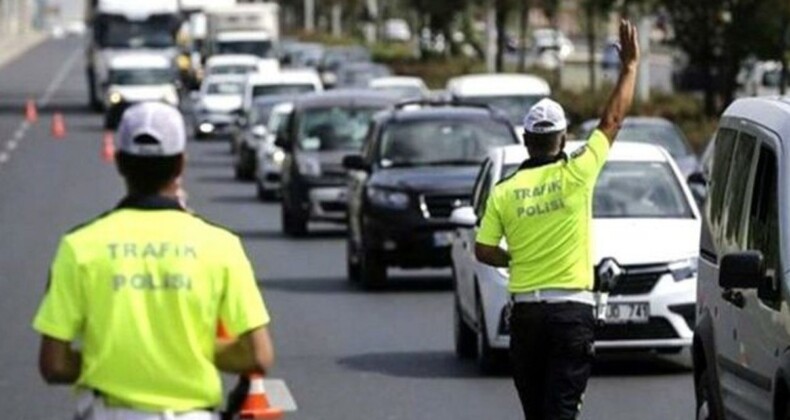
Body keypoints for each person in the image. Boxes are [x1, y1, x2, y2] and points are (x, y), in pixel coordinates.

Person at [32, 102, 274, 420]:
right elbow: (258, 355)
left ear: (119, 162)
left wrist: (111, 360)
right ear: (181, 165)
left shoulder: (79, 246)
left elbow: (54, 364)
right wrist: (187, 351)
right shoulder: (221, 246)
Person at [474, 20, 640, 420]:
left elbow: (482, 249)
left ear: (526, 141)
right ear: (563, 139)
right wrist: (630, 68)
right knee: (561, 411)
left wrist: (514, 259)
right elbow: (611, 121)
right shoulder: (579, 172)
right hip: (571, 314)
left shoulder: (505, 190)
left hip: (527, 317)